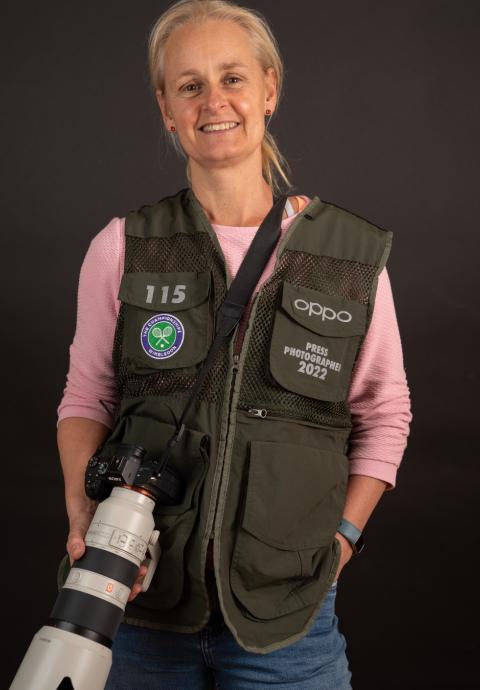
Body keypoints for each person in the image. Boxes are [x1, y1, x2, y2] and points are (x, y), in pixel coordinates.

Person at [56, 0, 412, 687]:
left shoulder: (348, 258)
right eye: (189, 85)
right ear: (166, 109)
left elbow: (385, 413)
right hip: (137, 602)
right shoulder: (124, 246)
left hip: (289, 623)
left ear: (269, 90)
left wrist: (340, 543)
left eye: (232, 78)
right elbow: (86, 396)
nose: (213, 101)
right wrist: (82, 512)